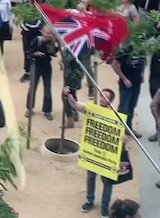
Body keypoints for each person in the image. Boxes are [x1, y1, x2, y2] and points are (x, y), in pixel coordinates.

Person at [66, 87, 119, 216]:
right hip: (93, 151)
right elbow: (74, 104)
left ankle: (105, 206)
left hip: (107, 155)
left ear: (110, 101)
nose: (102, 98)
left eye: (106, 97)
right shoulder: (91, 109)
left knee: (107, 182)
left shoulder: (116, 116)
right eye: (101, 95)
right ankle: (89, 200)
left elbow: (122, 134)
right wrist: (68, 94)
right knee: (91, 177)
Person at [26, 26, 58, 120]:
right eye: (47, 33)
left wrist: (55, 44)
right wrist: (35, 54)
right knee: (32, 87)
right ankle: (29, 108)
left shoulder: (51, 42)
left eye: (50, 33)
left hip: (47, 67)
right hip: (36, 66)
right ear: (42, 33)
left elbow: (53, 53)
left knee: (47, 88)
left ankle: (47, 110)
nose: (49, 35)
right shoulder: (37, 40)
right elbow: (28, 52)